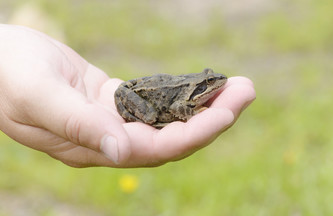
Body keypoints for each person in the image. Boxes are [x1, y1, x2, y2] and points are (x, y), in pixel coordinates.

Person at [0, 24, 256, 168]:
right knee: (152, 114)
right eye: (209, 82)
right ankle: (146, 121)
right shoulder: (188, 99)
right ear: (201, 85)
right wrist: (192, 113)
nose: (215, 83)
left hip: (142, 85)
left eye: (210, 80)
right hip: (147, 94)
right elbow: (179, 105)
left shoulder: (195, 91)